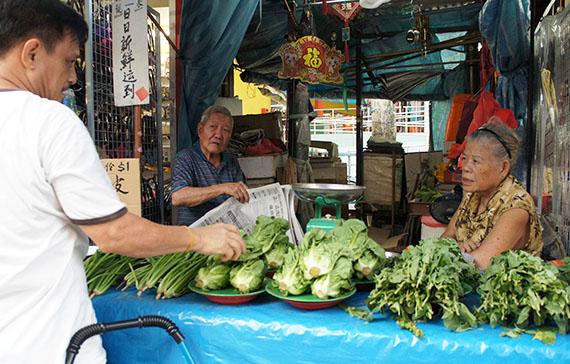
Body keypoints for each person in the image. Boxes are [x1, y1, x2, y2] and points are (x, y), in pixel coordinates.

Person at [0, 1, 246, 363]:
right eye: (69, 61)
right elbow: (115, 235)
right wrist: (198, 238)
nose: (72, 78)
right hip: (47, 344)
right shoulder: (49, 121)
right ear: (32, 53)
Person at [441, 121, 542, 269]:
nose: (466, 167)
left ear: (503, 168)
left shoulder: (516, 207)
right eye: (465, 158)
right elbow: (446, 238)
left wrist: (457, 251)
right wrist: (461, 248)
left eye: (476, 161)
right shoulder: (473, 195)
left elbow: (481, 262)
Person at [171, 105, 249, 225]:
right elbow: (178, 197)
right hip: (194, 237)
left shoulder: (232, 162)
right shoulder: (185, 158)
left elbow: (243, 196)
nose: (218, 135)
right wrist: (222, 188)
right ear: (200, 130)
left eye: (225, 130)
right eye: (213, 127)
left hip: (224, 235)